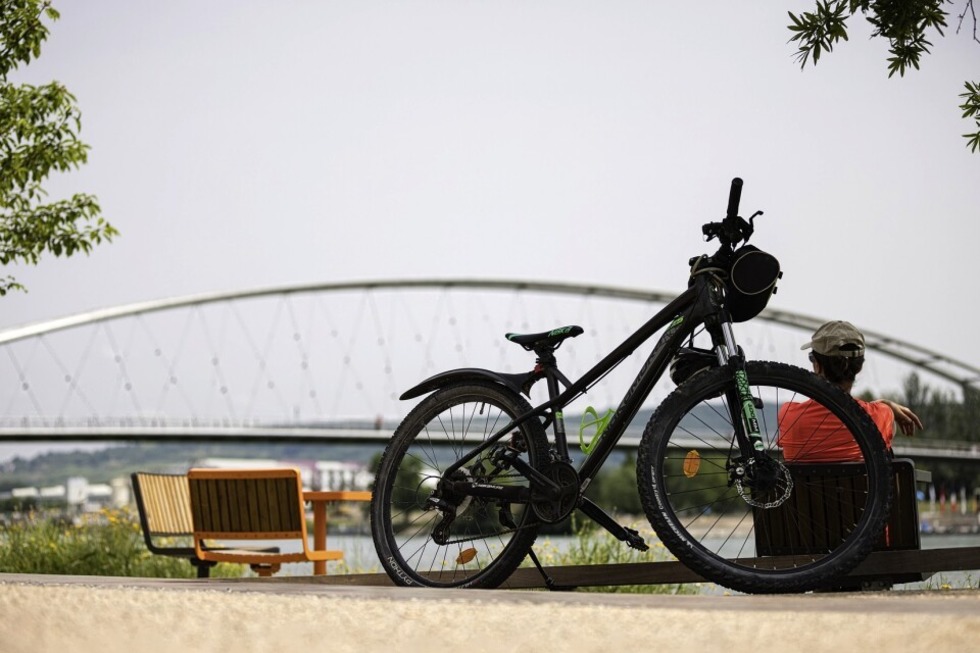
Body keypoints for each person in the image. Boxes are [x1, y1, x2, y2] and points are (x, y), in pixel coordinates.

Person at [778, 320, 923, 462]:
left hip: (806, 487)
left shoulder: (788, 415)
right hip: (866, 487)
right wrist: (886, 405)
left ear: (818, 365)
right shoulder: (879, 416)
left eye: (811, 358)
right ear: (859, 367)